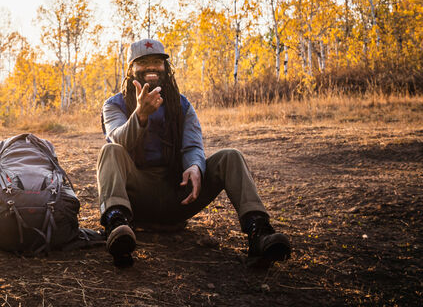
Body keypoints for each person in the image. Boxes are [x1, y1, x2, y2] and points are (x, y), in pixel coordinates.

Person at [97, 38, 292, 269]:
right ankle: (117, 227)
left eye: (157, 61)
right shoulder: (114, 105)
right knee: (110, 150)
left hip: (178, 193)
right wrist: (140, 114)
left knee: (230, 156)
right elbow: (118, 139)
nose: (151, 67)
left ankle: (259, 231)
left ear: (166, 67)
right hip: (136, 198)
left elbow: (193, 146)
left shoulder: (181, 104)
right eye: (144, 62)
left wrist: (194, 166)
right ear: (131, 69)